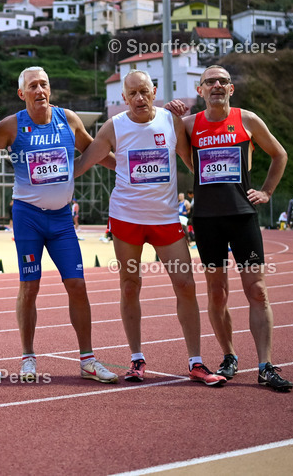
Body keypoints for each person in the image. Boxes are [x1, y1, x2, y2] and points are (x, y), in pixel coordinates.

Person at [73, 70, 226, 386]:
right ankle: (136, 358)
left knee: (185, 284)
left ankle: (196, 362)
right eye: (133, 94)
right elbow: (84, 163)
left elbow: (194, 164)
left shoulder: (171, 121)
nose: (139, 98)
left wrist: (227, 190)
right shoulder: (114, 126)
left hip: (165, 219)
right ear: (124, 98)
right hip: (126, 219)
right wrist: (44, 180)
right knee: (130, 285)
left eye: (144, 91)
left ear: (154, 91)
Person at [0, 66, 118, 383]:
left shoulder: (68, 119)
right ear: (22, 93)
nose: (40, 90)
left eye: (44, 84)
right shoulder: (11, 125)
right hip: (28, 217)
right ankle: (28, 357)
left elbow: (94, 151)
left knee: (77, 285)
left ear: (50, 89)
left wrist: (127, 167)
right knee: (30, 287)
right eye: (33, 86)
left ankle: (88, 360)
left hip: (61, 219)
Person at [177, 64, 293, 392]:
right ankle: (229, 356)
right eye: (209, 81)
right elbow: (171, 145)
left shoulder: (248, 120)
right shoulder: (188, 125)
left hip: (242, 217)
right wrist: (171, 113)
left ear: (231, 89)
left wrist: (267, 192)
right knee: (217, 293)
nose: (216, 85)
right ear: (200, 90)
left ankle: (265, 365)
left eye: (222, 81)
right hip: (207, 220)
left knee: (257, 290)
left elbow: (280, 155)